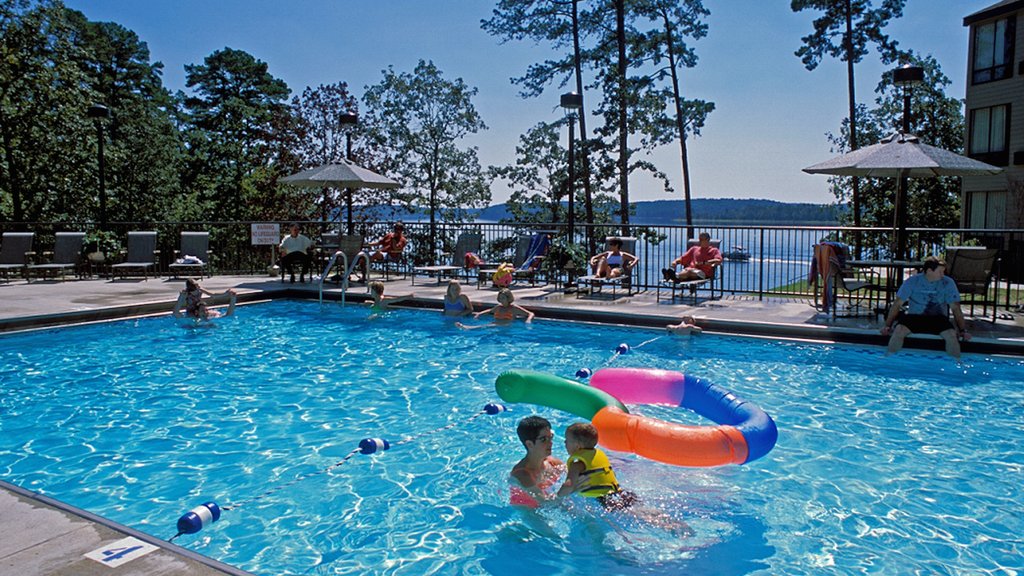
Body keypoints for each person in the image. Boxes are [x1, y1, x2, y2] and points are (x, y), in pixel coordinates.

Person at [880, 256, 971, 359]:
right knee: (899, 330)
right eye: (940, 272)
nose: (943, 275)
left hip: (938, 319)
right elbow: (897, 305)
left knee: (951, 335)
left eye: (944, 272)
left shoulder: (948, 283)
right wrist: (888, 326)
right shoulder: (912, 281)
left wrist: (963, 330)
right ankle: (889, 358)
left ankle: (956, 363)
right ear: (929, 271)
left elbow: (956, 309)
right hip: (915, 318)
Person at [556, 422, 638, 511]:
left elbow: (569, 485)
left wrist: (558, 496)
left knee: (637, 514)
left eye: (567, 440)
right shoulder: (597, 455)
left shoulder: (577, 464)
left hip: (608, 500)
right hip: (621, 493)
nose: (564, 442)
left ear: (577, 446)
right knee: (642, 511)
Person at [509, 416, 565, 508]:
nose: (550, 443)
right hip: (529, 510)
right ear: (529, 444)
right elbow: (546, 503)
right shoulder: (523, 474)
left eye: (551, 437)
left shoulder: (552, 462)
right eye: (543, 439)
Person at [458, 288, 533, 328]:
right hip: (495, 326)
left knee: (483, 327)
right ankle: (468, 328)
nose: (501, 300)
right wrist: (479, 314)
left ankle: (467, 328)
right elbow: (490, 310)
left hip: (506, 328)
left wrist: (528, 320)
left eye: (503, 298)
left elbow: (530, 313)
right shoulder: (498, 307)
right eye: (500, 298)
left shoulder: (513, 308)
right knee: (485, 327)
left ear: (508, 298)